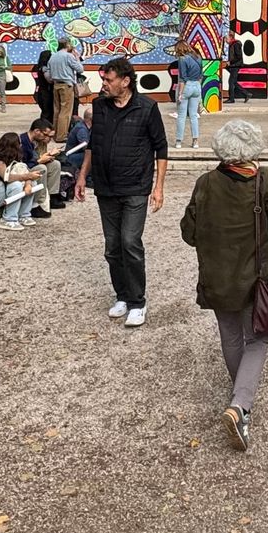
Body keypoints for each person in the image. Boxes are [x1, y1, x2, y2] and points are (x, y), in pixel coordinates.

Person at [179, 120, 268, 452]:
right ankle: (240, 404)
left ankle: (239, 395)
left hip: (216, 275)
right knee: (258, 337)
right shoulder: (263, 181)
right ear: (253, 149)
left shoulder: (205, 183)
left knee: (230, 334)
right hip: (256, 274)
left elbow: (189, 231)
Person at [73, 57, 169, 329]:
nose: (103, 84)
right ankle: (123, 296)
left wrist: (158, 187)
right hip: (105, 186)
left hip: (136, 187)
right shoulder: (99, 107)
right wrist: (82, 175)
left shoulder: (147, 108)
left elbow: (160, 149)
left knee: (130, 241)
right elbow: (93, 143)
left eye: (108, 80)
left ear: (125, 82)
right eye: (103, 79)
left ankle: (138, 301)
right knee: (113, 246)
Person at [0, 133, 42, 232]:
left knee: (32, 184)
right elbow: (7, 178)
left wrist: (28, 183)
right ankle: (8, 219)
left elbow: (25, 171)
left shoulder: (15, 157)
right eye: (19, 143)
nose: (21, 146)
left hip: (1, 191)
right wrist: (27, 176)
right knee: (16, 185)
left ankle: (23, 215)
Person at [18, 118, 64, 219]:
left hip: (31, 165)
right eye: (46, 135)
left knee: (55, 164)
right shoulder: (22, 142)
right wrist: (40, 160)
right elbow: (21, 165)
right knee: (41, 167)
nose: (48, 139)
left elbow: (37, 158)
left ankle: (53, 196)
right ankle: (38, 202)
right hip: (23, 171)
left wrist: (48, 156)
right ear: (37, 131)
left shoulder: (37, 141)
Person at [47, 39, 85, 139]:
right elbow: (80, 69)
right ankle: (61, 136)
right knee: (65, 111)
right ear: (67, 44)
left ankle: (54, 133)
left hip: (56, 85)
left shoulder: (53, 56)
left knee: (57, 110)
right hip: (66, 85)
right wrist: (77, 58)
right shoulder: (68, 56)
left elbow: (49, 72)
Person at [171, 43, 205, 149]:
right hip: (197, 86)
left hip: (186, 86)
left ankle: (178, 141)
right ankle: (195, 141)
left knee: (181, 116)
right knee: (193, 115)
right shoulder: (198, 57)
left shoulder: (182, 59)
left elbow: (182, 78)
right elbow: (201, 75)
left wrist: (180, 94)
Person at [32, 50, 55, 125]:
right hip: (47, 92)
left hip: (40, 92)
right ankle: (45, 126)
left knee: (45, 112)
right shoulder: (45, 68)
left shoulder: (37, 67)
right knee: (48, 112)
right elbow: (49, 80)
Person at [226, 37, 249, 105]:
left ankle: (231, 99)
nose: (225, 41)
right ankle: (247, 94)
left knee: (231, 82)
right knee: (234, 82)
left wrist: (230, 62)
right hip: (234, 65)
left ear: (230, 38)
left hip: (235, 66)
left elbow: (238, 56)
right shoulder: (233, 44)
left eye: (226, 39)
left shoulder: (235, 44)